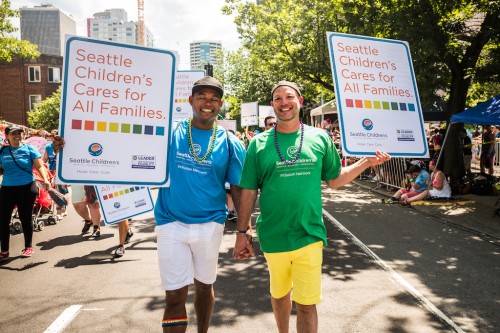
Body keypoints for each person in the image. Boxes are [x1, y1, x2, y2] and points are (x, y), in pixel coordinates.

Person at [233, 81, 390, 333]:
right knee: (280, 295)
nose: (284, 103)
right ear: (272, 105)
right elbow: (249, 191)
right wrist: (242, 232)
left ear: (300, 101)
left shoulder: (320, 137)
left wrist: (364, 162)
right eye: (278, 99)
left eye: (289, 97)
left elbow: (335, 179)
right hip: (274, 235)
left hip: (309, 234)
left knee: (306, 304)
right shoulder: (258, 144)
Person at [154, 76, 246, 332]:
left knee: (204, 287)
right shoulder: (168, 131)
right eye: (202, 97)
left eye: (214, 99)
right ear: (191, 100)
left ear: (221, 104)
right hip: (171, 222)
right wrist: (72, 149)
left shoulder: (230, 142)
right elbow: (125, 146)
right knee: (174, 295)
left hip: (210, 225)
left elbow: (239, 189)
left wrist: (244, 229)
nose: (208, 103)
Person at [0, 125, 51, 260]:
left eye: (19, 133)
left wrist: (45, 179)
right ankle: (4, 250)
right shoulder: (3, 151)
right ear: (7, 137)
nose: (17, 135)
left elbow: (39, 165)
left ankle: (28, 246)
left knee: (25, 218)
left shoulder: (29, 149)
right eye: (13, 133)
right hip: (7, 189)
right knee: (3, 220)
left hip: (27, 188)